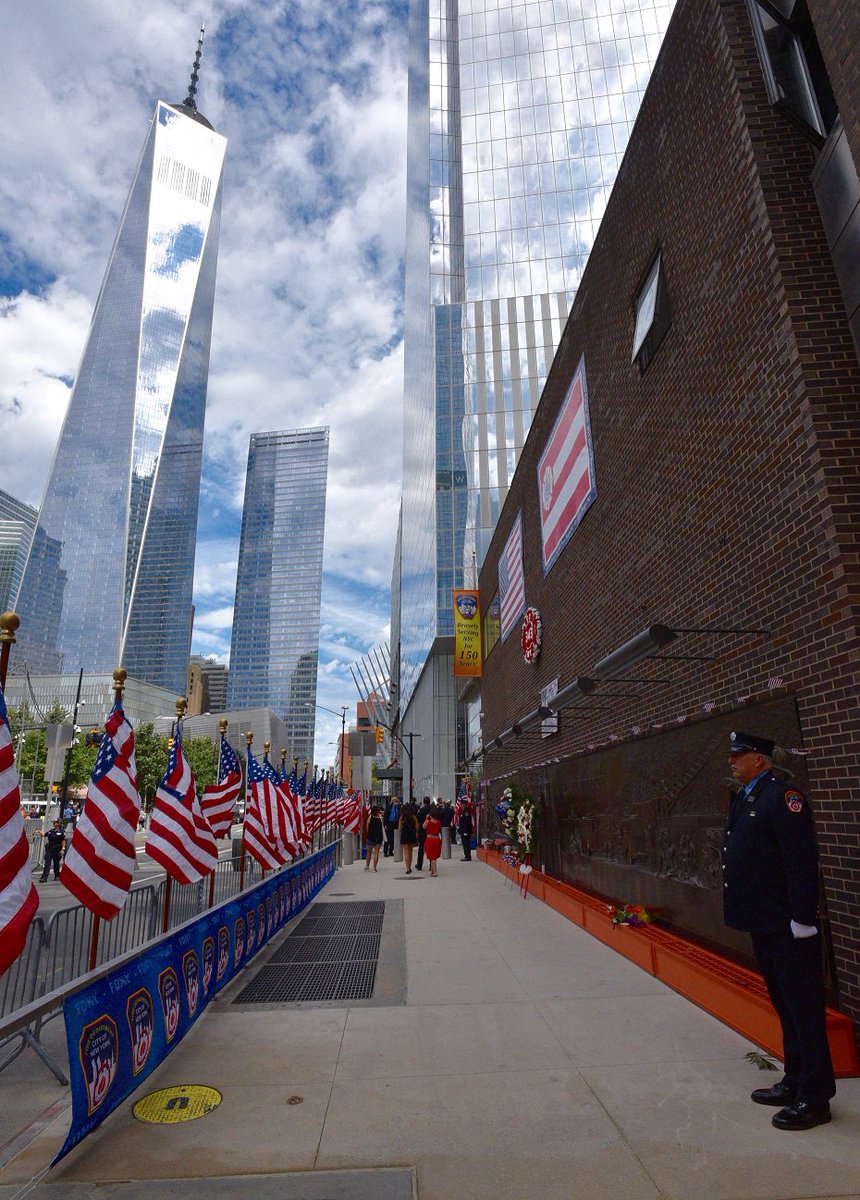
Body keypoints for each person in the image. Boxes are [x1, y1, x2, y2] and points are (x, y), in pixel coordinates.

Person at [721, 730, 835, 1130]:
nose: (733, 760)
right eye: (733, 755)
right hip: (764, 923)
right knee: (785, 1007)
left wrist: (803, 919)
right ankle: (794, 1080)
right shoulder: (746, 796)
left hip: (789, 927)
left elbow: (801, 862)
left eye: (741, 754)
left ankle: (816, 1096)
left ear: (761, 759)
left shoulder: (784, 797)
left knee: (804, 1010)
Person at [399, 803, 419, 874]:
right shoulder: (413, 816)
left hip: (404, 835)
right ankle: (410, 866)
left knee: (406, 852)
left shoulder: (402, 817)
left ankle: (407, 868)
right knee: (410, 852)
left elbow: (400, 828)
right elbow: (417, 826)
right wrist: (416, 832)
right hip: (411, 835)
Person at [364, 805, 385, 873]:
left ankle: (367, 866)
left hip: (370, 837)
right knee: (376, 853)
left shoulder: (369, 818)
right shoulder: (380, 819)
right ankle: (374, 868)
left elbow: (367, 828)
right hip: (378, 837)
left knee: (369, 853)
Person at [423, 807, 442, 877]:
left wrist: (427, 818)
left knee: (432, 856)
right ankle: (432, 870)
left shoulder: (428, 821)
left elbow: (423, 827)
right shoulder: (439, 822)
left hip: (430, 839)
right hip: (437, 839)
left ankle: (435, 872)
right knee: (434, 856)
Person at [415, 795, 433, 870]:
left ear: (423, 802)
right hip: (431, 831)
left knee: (421, 848)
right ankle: (431, 865)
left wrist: (417, 831)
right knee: (431, 848)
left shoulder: (421, 810)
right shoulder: (433, 810)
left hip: (423, 831)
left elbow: (418, 822)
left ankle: (419, 865)